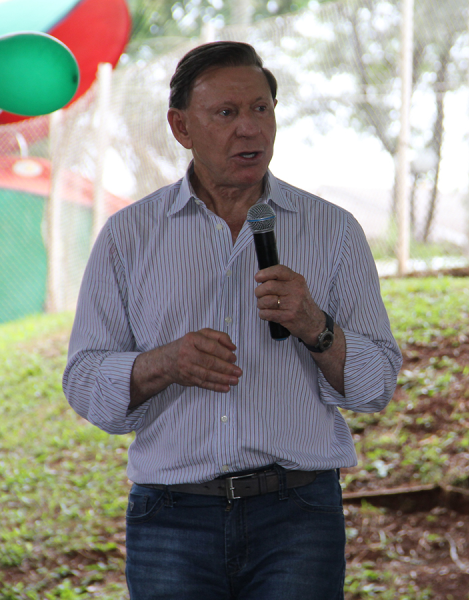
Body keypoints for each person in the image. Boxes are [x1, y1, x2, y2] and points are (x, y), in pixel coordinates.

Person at [63, 41, 402, 600]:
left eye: (260, 109)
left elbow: (376, 385)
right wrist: (165, 363)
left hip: (298, 515)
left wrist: (315, 325)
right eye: (226, 112)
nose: (249, 129)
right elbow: (84, 382)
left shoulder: (332, 230)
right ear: (181, 127)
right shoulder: (129, 236)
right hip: (171, 517)